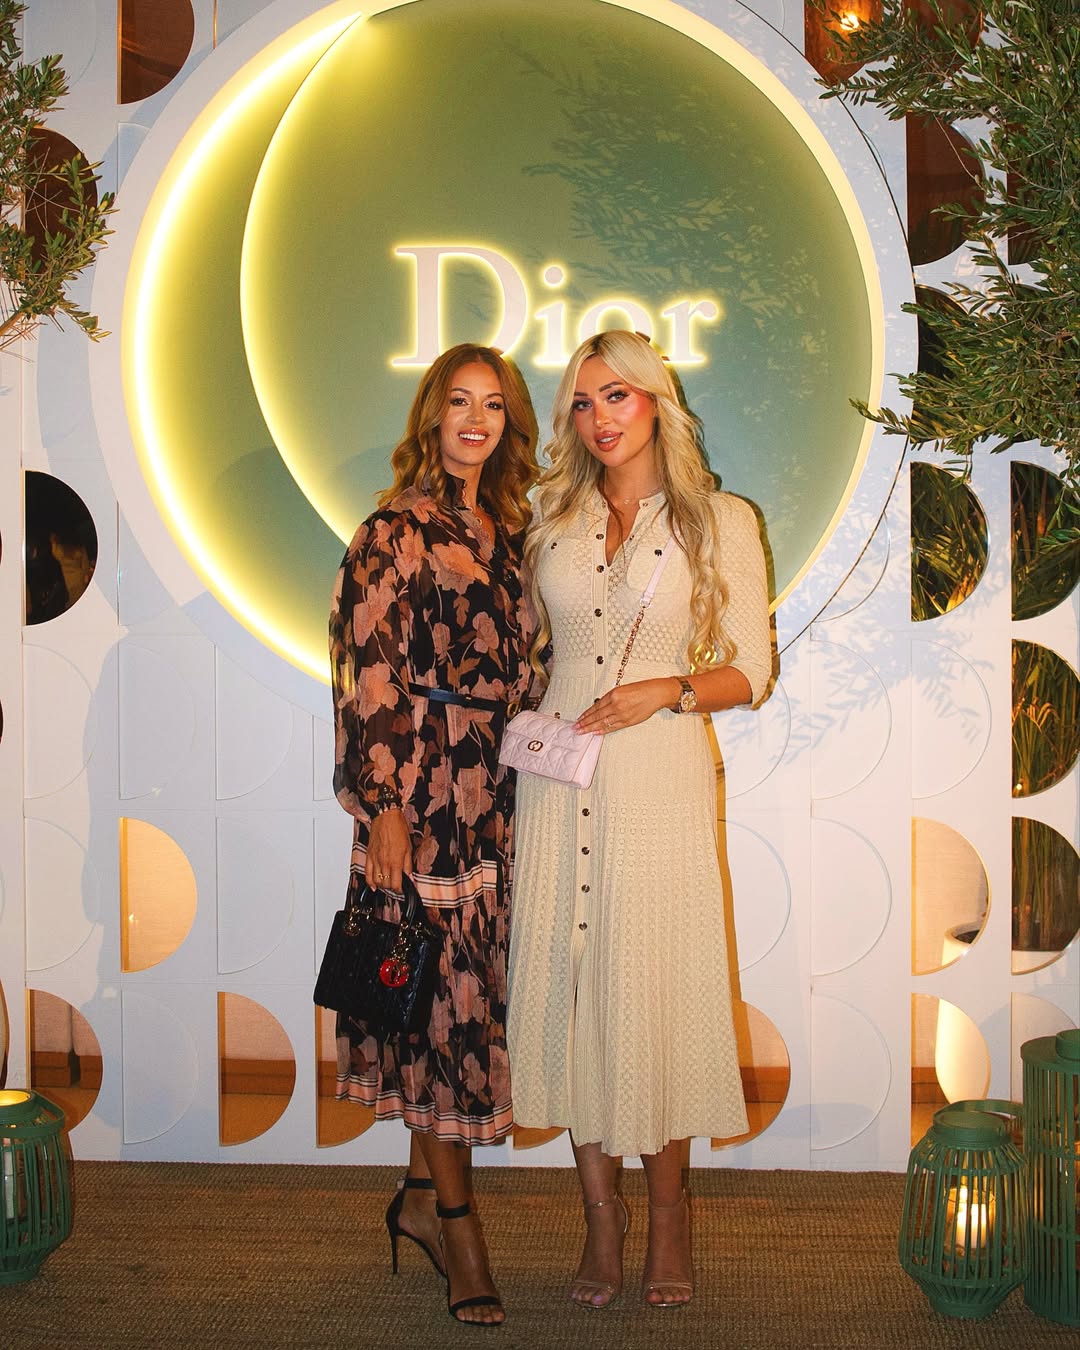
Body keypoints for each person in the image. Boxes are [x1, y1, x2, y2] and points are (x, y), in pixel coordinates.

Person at [507, 330, 772, 1311]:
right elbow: (521, 644)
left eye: (617, 395)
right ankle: (599, 1222)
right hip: (560, 783)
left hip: (659, 776)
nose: (600, 417)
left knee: (651, 993)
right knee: (575, 993)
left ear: (657, 400)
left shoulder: (720, 521)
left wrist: (671, 688)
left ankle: (667, 1218)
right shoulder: (551, 518)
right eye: (582, 402)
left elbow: (753, 669)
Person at [329, 343, 538, 1326]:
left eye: (492, 404)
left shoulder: (509, 533)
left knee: (451, 1013)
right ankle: (460, 1231)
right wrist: (383, 805)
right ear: (432, 414)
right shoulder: (393, 531)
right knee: (437, 1012)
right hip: (420, 796)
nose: (475, 419)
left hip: (491, 797)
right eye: (459, 401)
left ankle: (418, 1198)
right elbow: (368, 667)